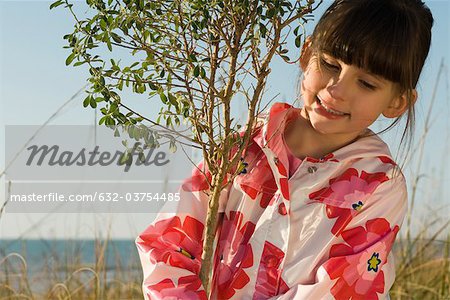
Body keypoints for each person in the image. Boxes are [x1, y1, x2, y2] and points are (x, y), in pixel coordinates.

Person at [136, 0, 434, 298]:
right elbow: (167, 244)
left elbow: (344, 290)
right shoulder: (243, 146)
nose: (337, 90)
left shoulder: (379, 185)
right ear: (306, 54)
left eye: (367, 83)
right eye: (330, 64)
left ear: (397, 102)